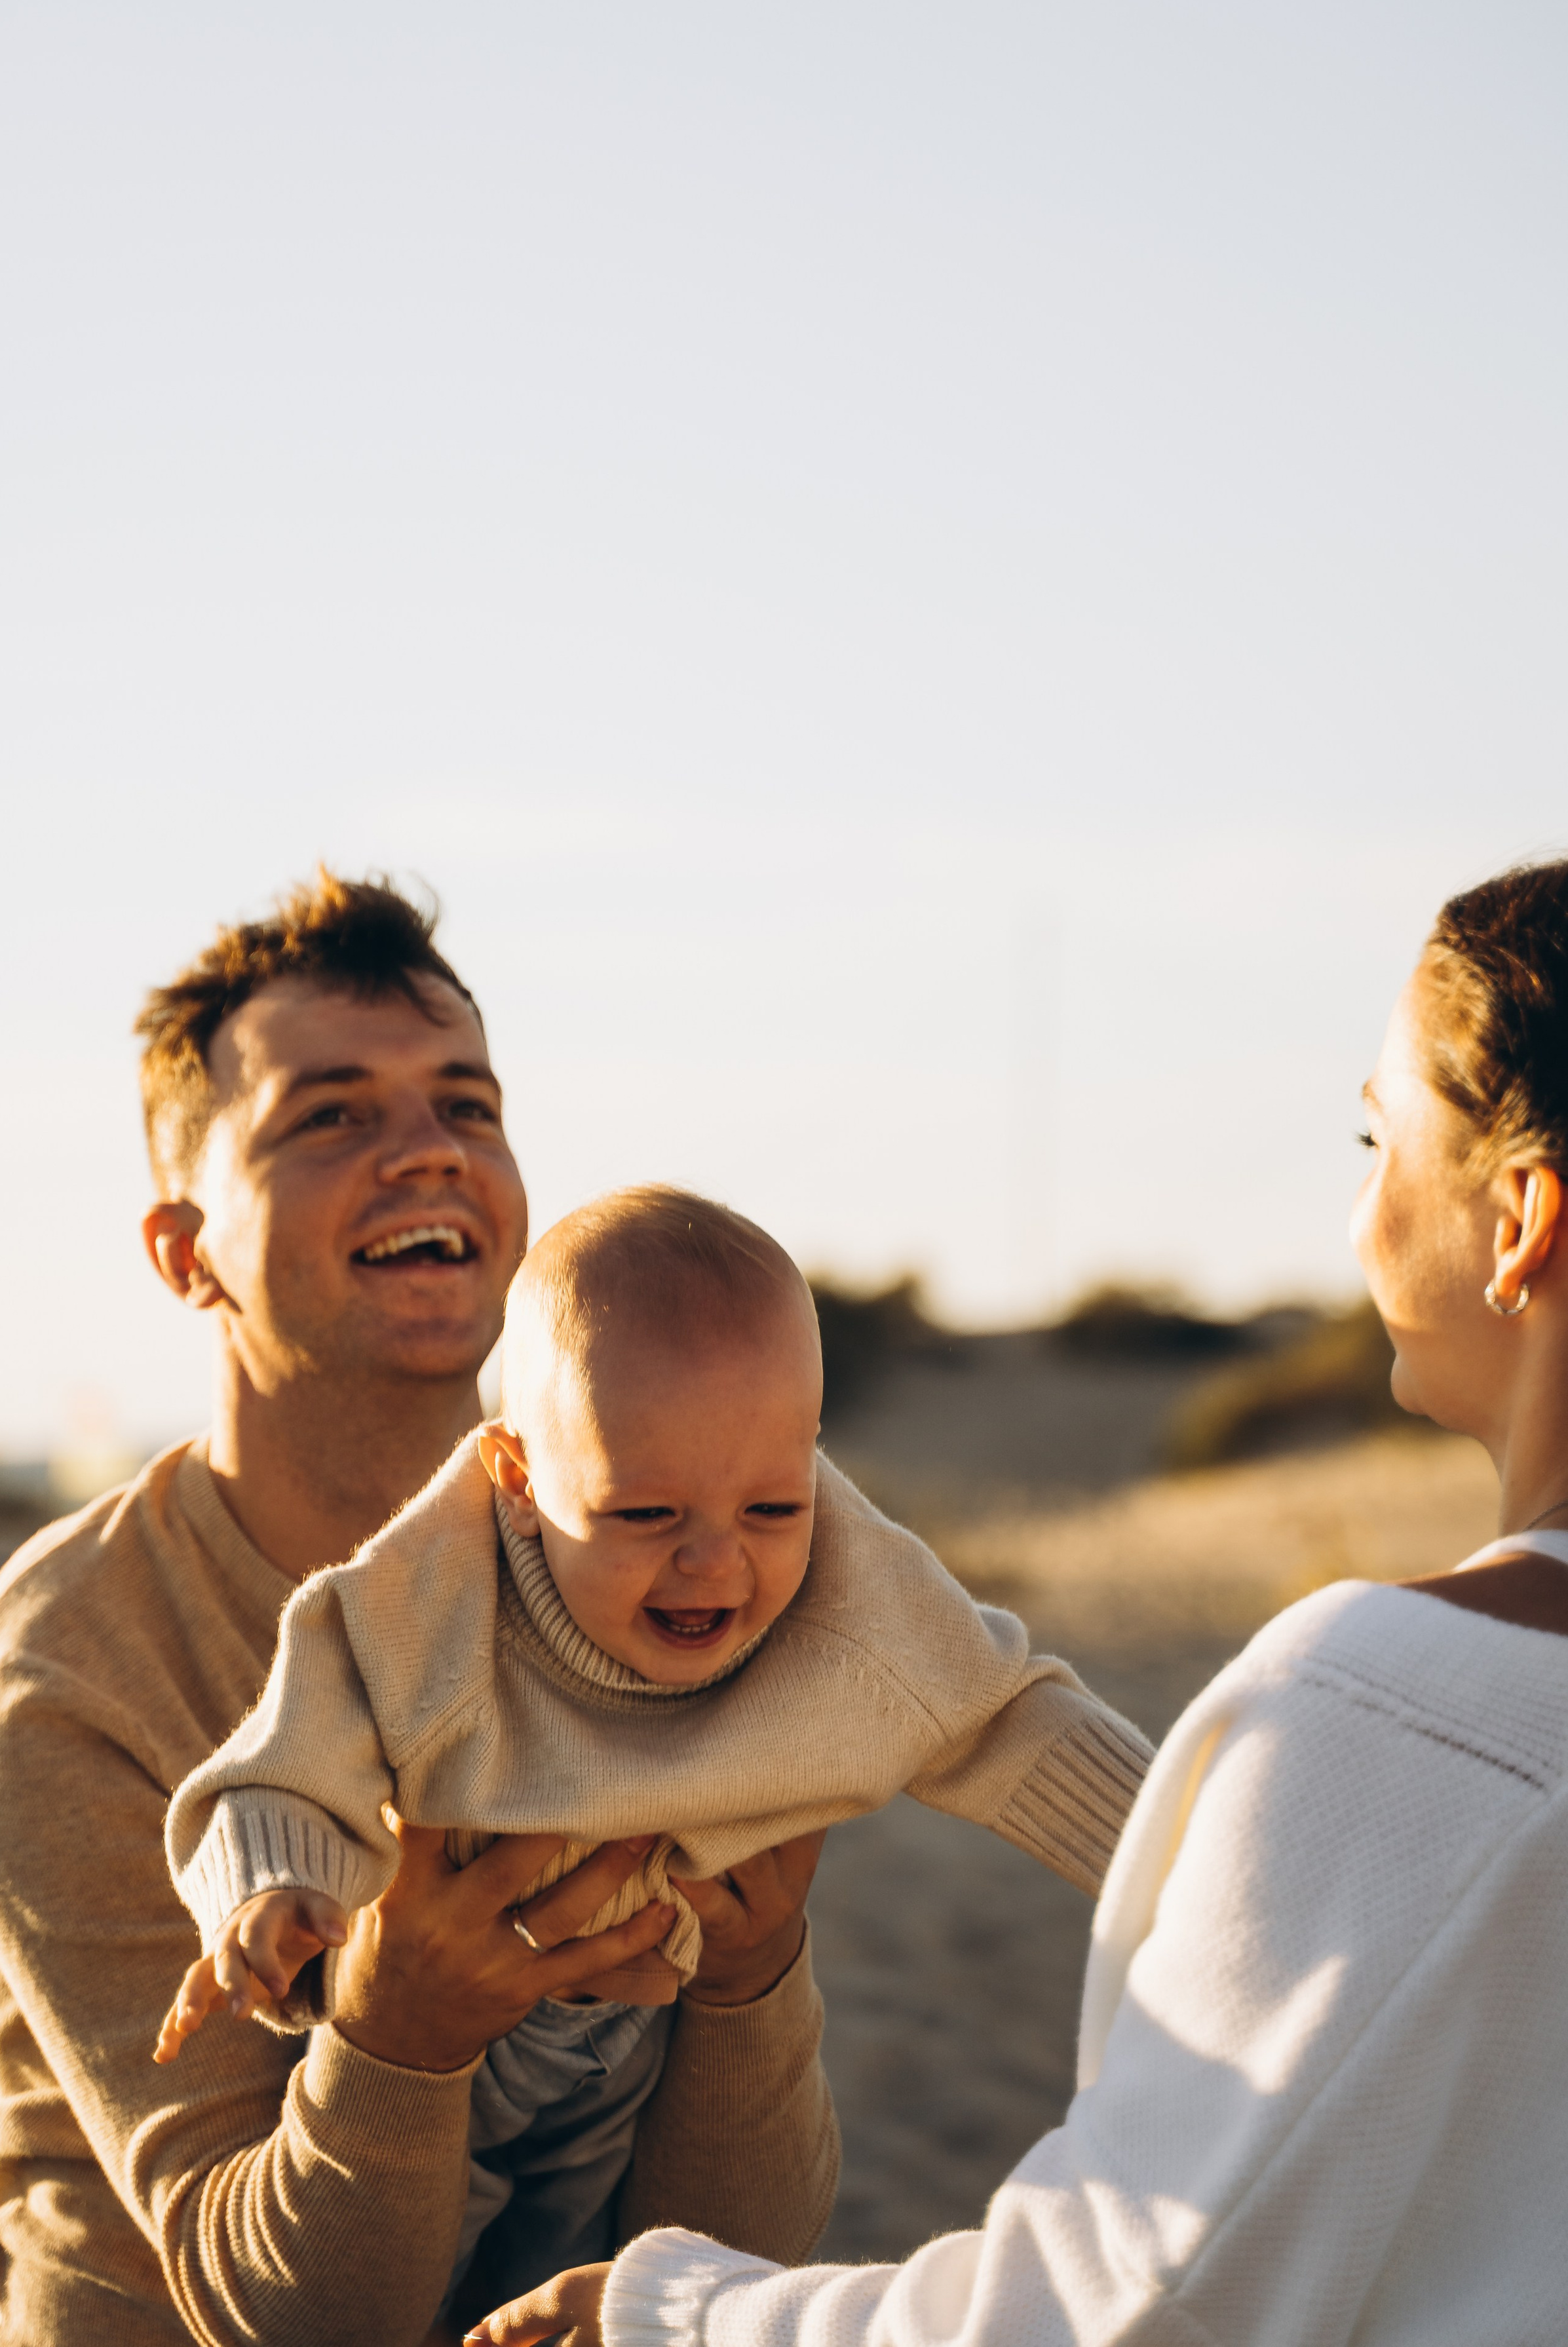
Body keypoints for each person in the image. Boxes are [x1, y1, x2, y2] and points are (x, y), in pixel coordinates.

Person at [477, 855, 1568, 2347]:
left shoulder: (1388, 1717)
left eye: (1378, 1137)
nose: (1360, 1209)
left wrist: (673, 2314)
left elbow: (1108, 2310)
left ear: (1516, 1219)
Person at [0, 874, 836, 2347]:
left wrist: (748, 1982)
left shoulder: (652, 1570)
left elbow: (730, 2264)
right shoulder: (68, 1666)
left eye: (466, 1106)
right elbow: (276, 2314)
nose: (426, 1153)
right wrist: (398, 2033)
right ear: (185, 1251)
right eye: (331, 1115)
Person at [153, 1188, 1152, 2308]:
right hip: (441, 2045)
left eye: (774, 1506)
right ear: (521, 1484)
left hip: (639, 2041)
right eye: (645, 1517)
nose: (714, 1564)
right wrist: (272, 1888)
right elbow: (280, 1764)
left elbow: (1011, 1719)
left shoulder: (855, 1594)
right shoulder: (423, 1602)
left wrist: (1191, 1855)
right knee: (416, 2278)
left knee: (583, 2279)